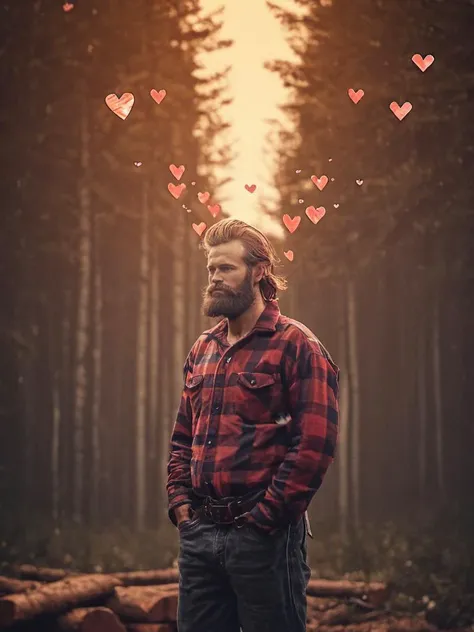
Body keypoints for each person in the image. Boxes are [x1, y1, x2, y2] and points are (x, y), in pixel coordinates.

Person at [166, 219, 340, 632]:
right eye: (211, 269)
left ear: (259, 271)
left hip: (265, 539)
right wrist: (180, 503)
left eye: (226, 268)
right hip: (200, 536)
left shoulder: (297, 345)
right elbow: (183, 437)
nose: (215, 278)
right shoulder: (203, 349)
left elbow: (314, 444)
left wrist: (267, 518)